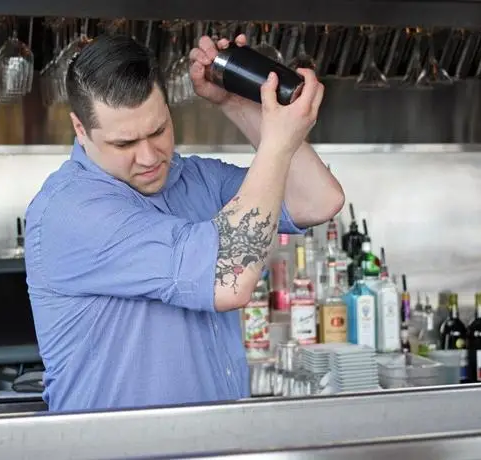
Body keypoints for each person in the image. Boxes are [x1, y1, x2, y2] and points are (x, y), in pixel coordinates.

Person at [24, 32, 344, 412]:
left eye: (158, 131)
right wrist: (276, 142)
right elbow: (228, 280)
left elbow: (319, 199)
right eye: (124, 144)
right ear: (80, 128)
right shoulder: (70, 212)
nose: (148, 157)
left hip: (214, 442)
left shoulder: (194, 179)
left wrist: (238, 105)